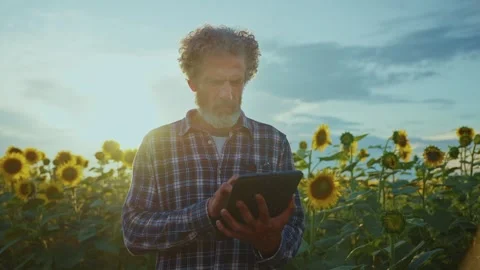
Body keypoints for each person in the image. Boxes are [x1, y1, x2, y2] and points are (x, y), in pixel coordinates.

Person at [121, 24, 305, 269]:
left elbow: (294, 233)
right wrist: (206, 213)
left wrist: (270, 241)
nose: (227, 94)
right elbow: (134, 232)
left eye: (236, 82)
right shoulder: (158, 143)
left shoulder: (273, 142)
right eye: (216, 82)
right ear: (192, 83)